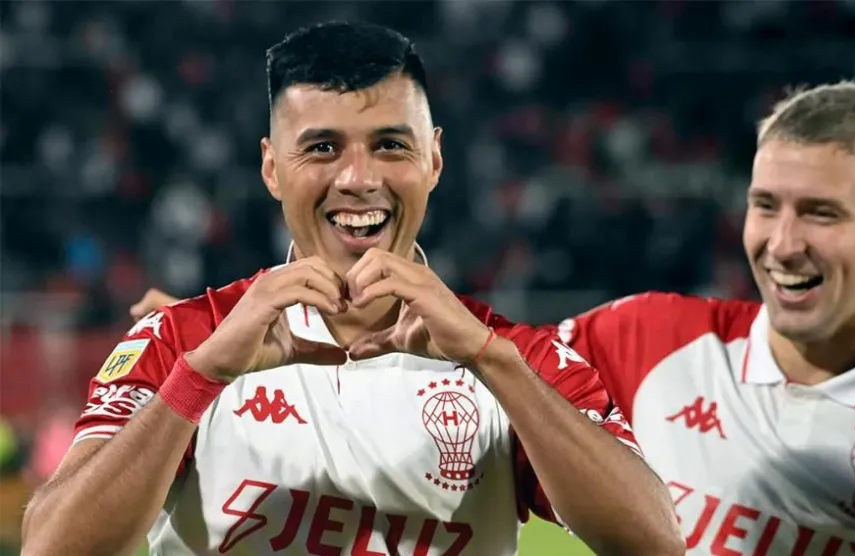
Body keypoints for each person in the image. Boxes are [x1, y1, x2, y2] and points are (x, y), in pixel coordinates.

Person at [21, 21, 683, 556]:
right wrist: (201, 378)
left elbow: (653, 541)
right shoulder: (185, 340)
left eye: (390, 145)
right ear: (271, 167)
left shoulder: (515, 356)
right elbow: (51, 546)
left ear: (434, 159)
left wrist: (491, 361)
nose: (358, 179)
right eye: (322, 149)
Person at [554, 82, 855, 555]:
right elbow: (497, 404)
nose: (782, 245)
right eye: (764, 205)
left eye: (821, 214)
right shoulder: (641, 340)